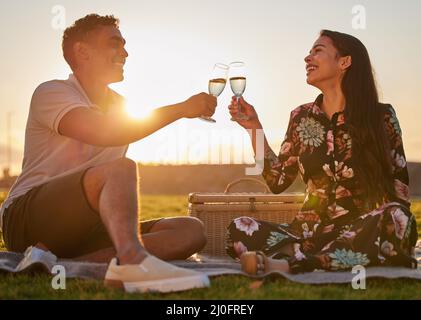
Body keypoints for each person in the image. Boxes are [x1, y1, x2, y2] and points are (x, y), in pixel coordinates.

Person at [0, 14, 217, 292]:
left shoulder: (121, 106)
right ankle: (132, 262)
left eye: (125, 44)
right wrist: (181, 109)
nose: (125, 52)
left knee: (191, 230)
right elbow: (105, 132)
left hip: (87, 224)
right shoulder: (52, 92)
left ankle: (64, 265)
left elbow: (121, 130)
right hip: (28, 218)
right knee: (122, 168)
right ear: (82, 52)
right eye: (115, 43)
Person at [226, 30, 418, 273]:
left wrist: (397, 226)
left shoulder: (381, 116)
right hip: (308, 231)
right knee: (239, 227)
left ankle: (298, 261)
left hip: (362, 228)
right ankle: (316, 256)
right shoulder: (300, 117)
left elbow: (399, 188)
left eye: (318, 51)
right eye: (309, 52)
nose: (307, 58)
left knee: (396, 216)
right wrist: (254, 127)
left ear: (344, 62)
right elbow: (277, 179)